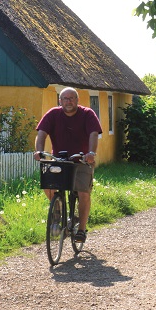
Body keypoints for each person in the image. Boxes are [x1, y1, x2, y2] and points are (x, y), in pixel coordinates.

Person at [34, 87, 102, 242]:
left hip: (82, 160)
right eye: (65, 98)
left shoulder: (87, 114)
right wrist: (39, 151)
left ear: (77, 100)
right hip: (60, 160)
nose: (68, 101)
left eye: (72, 98)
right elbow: (41, 133)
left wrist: (91, 153)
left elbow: (93, 134)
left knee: (84, 192)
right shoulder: (53, 114)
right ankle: (57, 209)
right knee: (48, 184)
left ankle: (82, 230)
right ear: (60, 101)